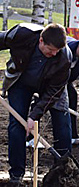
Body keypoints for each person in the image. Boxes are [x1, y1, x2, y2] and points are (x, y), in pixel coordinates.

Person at [0, 23, 72, 183]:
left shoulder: (64, 58)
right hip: (20, 82)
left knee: (62, 120)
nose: (54, 54)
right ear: (41, 41)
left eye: (57, 51)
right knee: (16, 124)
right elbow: (2, 40)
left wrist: (34, 116)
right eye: (50, 50)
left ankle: (63, 171)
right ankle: (16, 175)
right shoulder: (22, 34)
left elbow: (53, 93)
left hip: (50, 87)